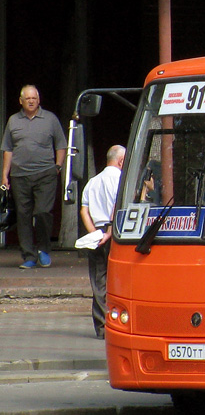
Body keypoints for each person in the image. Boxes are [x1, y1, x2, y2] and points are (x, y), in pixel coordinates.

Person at [1, 85, 67, 269]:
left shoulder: (50, 119)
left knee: (43, 212)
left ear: (39, 100)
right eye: (27, 98)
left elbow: (61, 144)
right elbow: (7, 149)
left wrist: (58, 167)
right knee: (23, 215)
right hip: (19, 175)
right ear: (21, 101)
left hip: (46, 173)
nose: (31, 101)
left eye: (34, 98)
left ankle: (44, 249)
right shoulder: (13, 121)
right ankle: (29, 256)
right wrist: (4, 175)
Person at [79, 145, 124, 339]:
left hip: (96, 233)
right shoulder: (121, 179)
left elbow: (84, 211)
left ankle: (101, 325)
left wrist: (95, 233)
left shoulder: (92, 181)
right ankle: (117, 323)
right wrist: (109, 232)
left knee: (99, 280)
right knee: (117, 280)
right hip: (114, 232)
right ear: (121, 161)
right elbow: (117, 205)